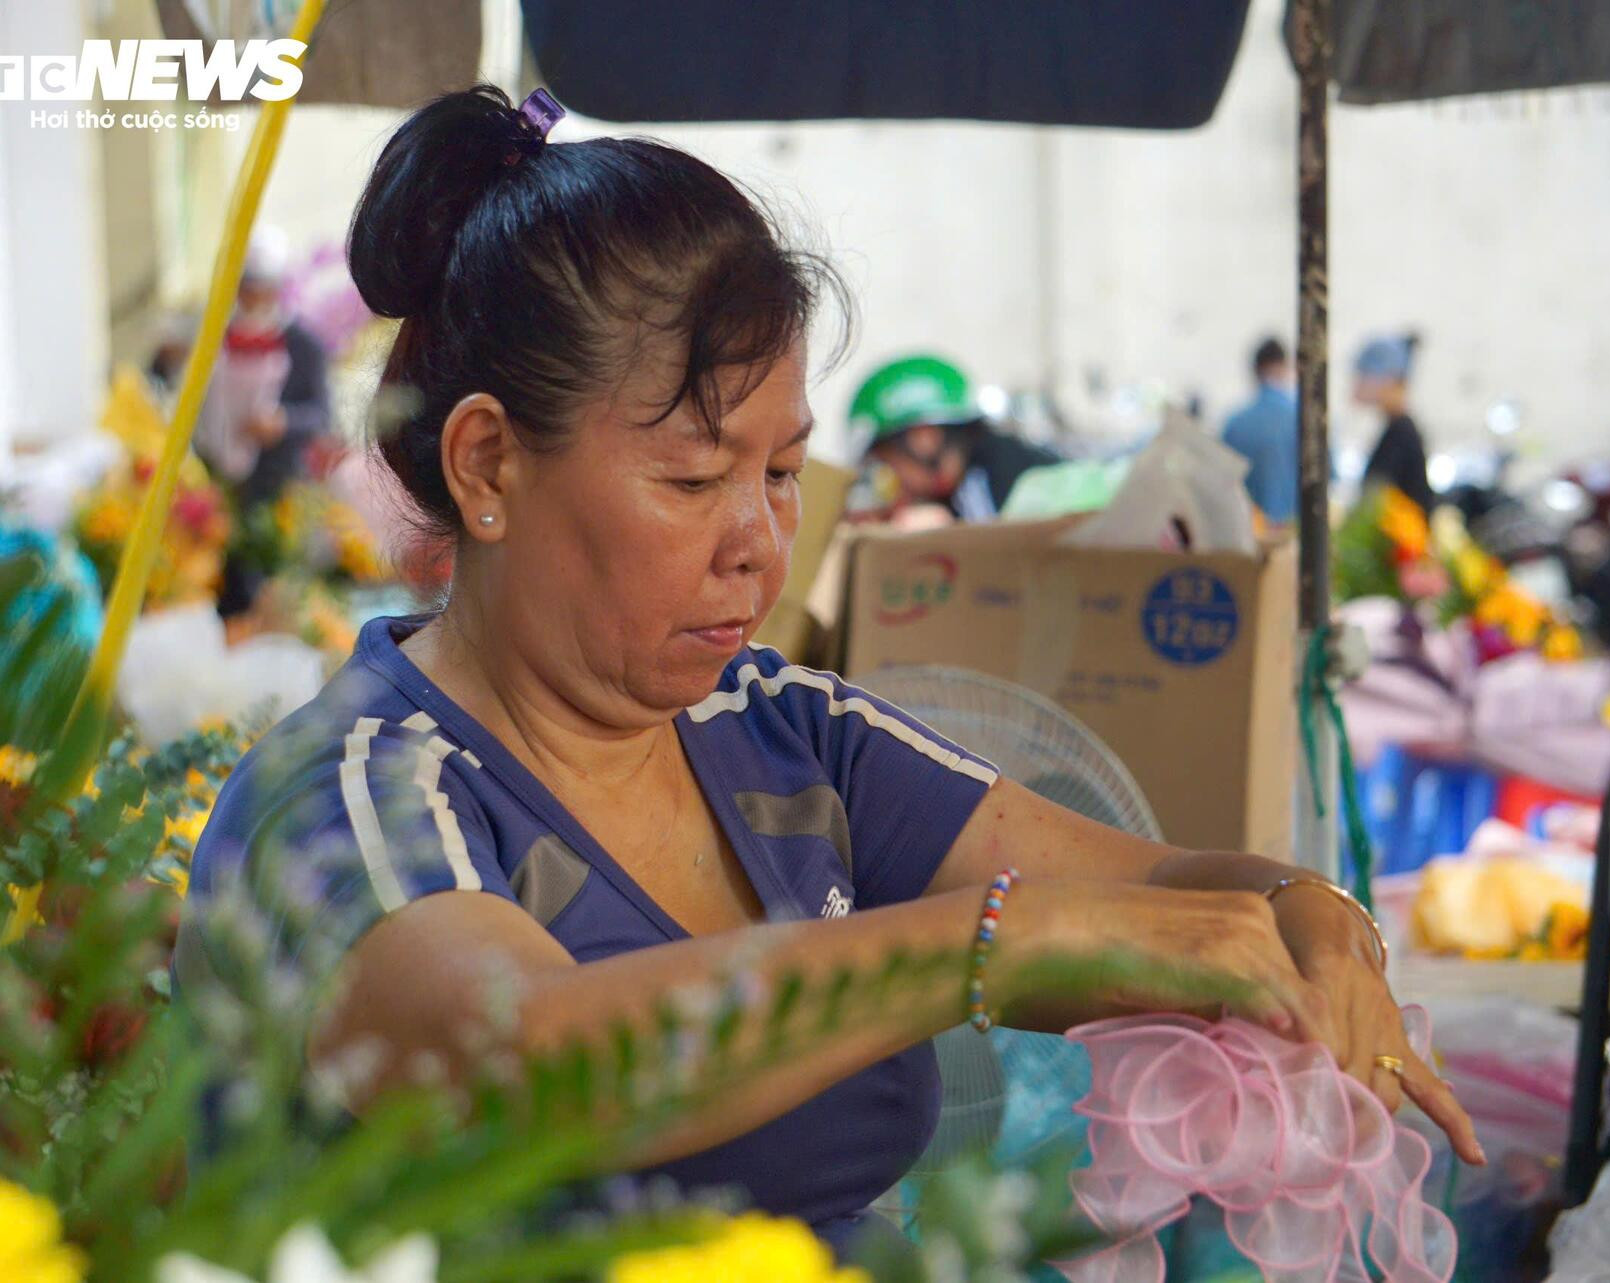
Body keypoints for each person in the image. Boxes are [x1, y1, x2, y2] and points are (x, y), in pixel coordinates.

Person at [179, 85, 1479, 1257]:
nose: (760, 544)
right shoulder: (354, 797)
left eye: (783, 471)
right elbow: (528, 1061)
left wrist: (1317, 915)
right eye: (694, 477)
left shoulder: (785, 738)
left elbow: (1172, 888)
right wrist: (993, 940)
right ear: (486, 466)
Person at [195, 225, 335, 615]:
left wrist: (282, 422)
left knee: (277, 597)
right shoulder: (213, 342)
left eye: (262, 288)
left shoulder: (303, 344)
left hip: (280, 490)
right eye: (246, 287)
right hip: (223, 492)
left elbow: (322, 415)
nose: (253, 298)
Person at [849, 354, 1057, 522]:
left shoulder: (1012, 478)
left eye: (888, 462)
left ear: (924, 439)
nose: (897, 481)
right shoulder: (957, 490)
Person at [1221, 336, 1299, 524]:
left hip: (1249, 534)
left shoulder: (1234, 423)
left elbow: (1222, 484)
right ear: (1287, 368)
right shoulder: (1308, 420)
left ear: (1255, 371)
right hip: (1295, 534)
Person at [1355, 332, 1434, 514]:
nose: (1358, 383)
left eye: (1365, 375)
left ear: (1389, 379)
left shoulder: (1402, 434)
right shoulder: (1395, 429)